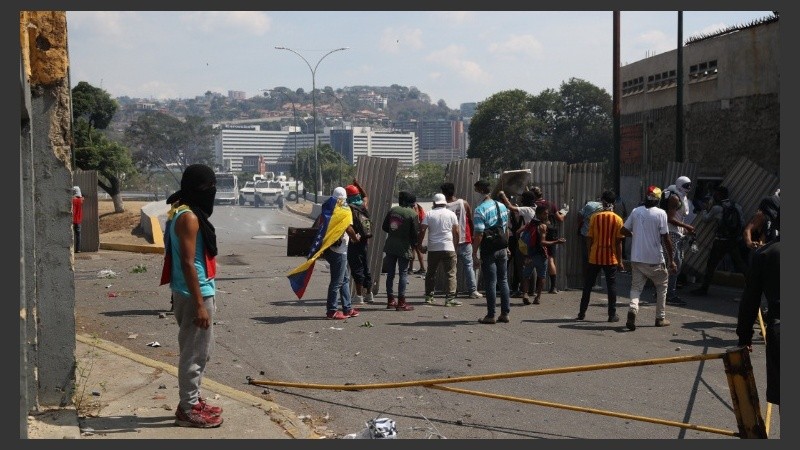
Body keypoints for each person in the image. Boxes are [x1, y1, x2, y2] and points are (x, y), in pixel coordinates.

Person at [160, 164, 223, 428]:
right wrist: (199, 304)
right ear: (199, 189)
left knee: (201, 351)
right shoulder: (188, 217)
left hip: (193, 290)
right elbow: (187, 262)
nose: (213, 192)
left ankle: (193, 399)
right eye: (209, 187)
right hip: (194, 293)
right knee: (194, 353)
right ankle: (188, 409)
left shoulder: (182, 211)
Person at [736, 193, 779, 407]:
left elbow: (749, 301)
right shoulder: (761, 217)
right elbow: (747, 232)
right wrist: (753, 245)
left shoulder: (767, 254)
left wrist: (744, 337)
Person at [620, 186, 677, 331]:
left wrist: (634, 234)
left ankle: (633, 309)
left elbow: (623, 230)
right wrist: (672, 260)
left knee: (636, 288)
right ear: (658, 200)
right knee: (662, 287)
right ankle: (660, 317)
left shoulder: (636, 211)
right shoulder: (661, 214)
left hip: (637, 259)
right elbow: (666, 238)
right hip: (655, 259)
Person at [576, 190, 625, 322]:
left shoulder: (594, 218)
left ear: (602, 201)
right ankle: (612, 314)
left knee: (587, 286)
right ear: (614, 203)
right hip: (610, 258)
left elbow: (589, 238)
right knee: (611, 286)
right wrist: (620, 261)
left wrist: (590, 252)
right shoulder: (618, 219)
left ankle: (581, 313)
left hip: (595, 257)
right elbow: (619, 242)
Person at [690, 186, 747, 296]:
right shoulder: (737, 206)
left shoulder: (717, 208)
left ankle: (704, 288)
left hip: (720, 241)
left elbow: (705, 219)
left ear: (719, 195)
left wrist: (704, 210)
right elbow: (742, 223)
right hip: (733, 241)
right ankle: (752, 286)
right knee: (740, 263)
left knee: (711, 264)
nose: (714, 196)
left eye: (715, 194)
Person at [472, 180, 511, 324]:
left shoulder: (480, 209)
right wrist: (506, 246)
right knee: (503, 280)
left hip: (489, 249)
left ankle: (491, 315)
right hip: (502, 247)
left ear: (481, 191)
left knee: (491, 282)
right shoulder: (501, 206)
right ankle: (505, 313)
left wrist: (474, 252)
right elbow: (505, 229)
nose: (475, 194)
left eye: (475, 190)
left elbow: (479, 233)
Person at [323, 187, 360, 319]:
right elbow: (348, 228)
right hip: (339, 250)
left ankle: (347, 308)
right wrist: (356, 239)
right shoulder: (345, 210)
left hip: (328, 248)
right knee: (336, 282)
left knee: (344, 279)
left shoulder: (328, 208)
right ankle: (332, 310)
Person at [441, 182, 482, 299]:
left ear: (443, 193)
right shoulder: (463, 203)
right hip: (465, 239)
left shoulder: (443, 206)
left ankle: (452, 291)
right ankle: (472, 291)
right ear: (453, 191)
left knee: (451, 268)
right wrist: (473, 235)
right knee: (469, 266)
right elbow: (470, 220)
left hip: (449, 241)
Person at [419, 193, 461, 306]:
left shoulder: (429, 214)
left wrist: (420, 245)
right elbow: (456, 232)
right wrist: (455, 246)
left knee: (431, 273)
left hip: (433, 248)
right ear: (444, 203)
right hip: (448, 247)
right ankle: (450, 299)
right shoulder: (451, 214)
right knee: (451, 274)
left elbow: (422, 230)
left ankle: (428, 296)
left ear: (434, 203)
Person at [497, 190, 537, 304]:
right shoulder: (536, 208)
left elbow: (510, 207)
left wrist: (503, 196)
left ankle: (524, 290)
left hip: (525, 241)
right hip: (533, 241)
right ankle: (531, 291)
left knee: (521, 266)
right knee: (531, 265)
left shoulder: (527, 209)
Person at [382, 191, 419, 311]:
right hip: (403, 247)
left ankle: (390, 300)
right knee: (403, 273)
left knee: (390, 274)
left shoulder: (393, 210)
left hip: (390, 245)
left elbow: (385, 227)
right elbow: (415, 233)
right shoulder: (412, 214)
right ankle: (401, 302)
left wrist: (394, 232)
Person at [663, 176, 695, 306]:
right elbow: (670, 218)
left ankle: (663, 291)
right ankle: (670, 294)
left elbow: (678, 217)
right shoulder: (675, 198)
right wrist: (686, 226)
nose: (689, 188)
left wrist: (684, 229)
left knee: (673, 264)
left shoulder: (681, 197)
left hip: (677, 233)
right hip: (672, 233)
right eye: (686, 185)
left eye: (689, 185)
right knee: (674, 264)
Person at [531, 186, 568, 294]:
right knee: (550, 259)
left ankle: (534, 289)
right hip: (550, 232)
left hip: (537, 232)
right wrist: (565, 211)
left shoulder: (533, 205)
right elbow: (560, 219)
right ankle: (553, 287)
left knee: (534, 258)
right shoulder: (550, 204)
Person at [345, 180, 374, 305]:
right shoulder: (362, 205)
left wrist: (354, 239)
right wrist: (358, 186)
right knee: (365, 266)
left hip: (355, 240)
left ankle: (359, 296)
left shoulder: (348, 208)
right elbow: (366, 196)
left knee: (356, 267)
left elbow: (349, 227)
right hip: (365, 239)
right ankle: (369, 294)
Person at [577, 196, 605, 281]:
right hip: (597, 236)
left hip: (586, 234)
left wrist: (580, 226)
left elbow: (580, 215)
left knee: (587, 258)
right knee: (597, 257)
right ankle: (594, 281)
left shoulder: (590, 204)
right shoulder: (606, 209)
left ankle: (587, 280)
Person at [408, 202, 427, 275]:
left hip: (415, 231)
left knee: (414, 249)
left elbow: (416, 218)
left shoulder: (414, 206)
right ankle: (421, 268)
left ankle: (411, 268)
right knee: (417, 249)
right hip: (418, 230)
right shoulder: (419, 206)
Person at [72, 186, 84, 253]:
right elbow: (82, 198)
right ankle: (78, 249)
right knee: (78, 235)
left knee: (71, 234)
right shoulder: (81, 200)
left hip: (72, 220)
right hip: (78, 220)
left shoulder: (72, 200)